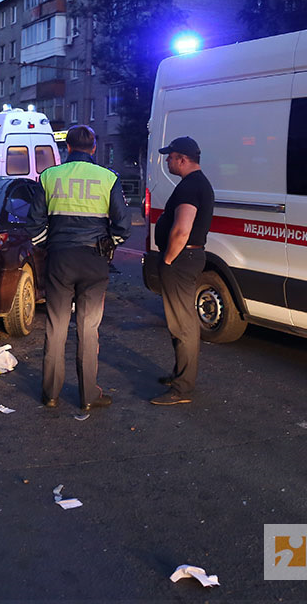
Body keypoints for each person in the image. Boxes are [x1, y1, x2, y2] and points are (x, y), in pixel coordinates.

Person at [30, 125, 130, 411]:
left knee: (56, 327)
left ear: (68, 148)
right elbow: (123, 226)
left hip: (60, 260)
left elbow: (34, 223)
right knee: (88, 329)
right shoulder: (108, 178)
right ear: (94, 148)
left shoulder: (49, 177)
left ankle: (50, 393)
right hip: (95, 262)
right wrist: (109, 245)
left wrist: (50, 245)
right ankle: (88, 396)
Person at [150, 136, 214, 406]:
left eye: (171, 156)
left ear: (183, 159)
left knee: (183, 324)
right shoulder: (198, 183)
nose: (167, 160)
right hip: (189, 257)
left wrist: (167, 260)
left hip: (181, 259)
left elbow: (182, 229)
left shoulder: (190, 187)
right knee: (181, 321)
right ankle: (180, 375)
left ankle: (182, 388)